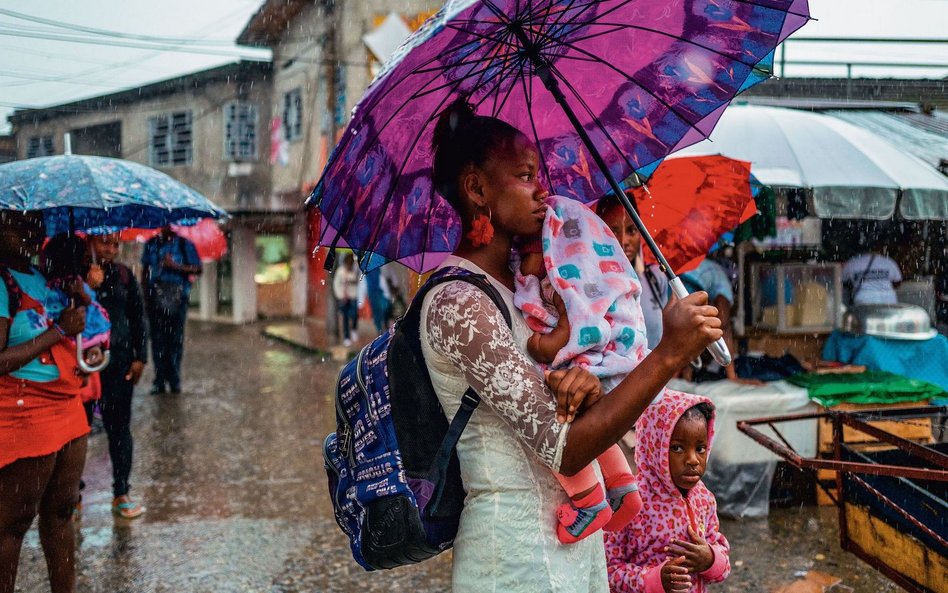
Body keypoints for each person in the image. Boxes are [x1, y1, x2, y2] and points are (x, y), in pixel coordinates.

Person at [422, 98, 722, 592]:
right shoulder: (459, 304)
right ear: (477, 188)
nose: (542, 190)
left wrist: (588, 388)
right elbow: (561, 447)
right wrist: (669, 353)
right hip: (516, 560)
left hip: (576, 547)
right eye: (523, 177)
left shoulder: (525, 289)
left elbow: (569, 411)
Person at [512, 195, 644, 544]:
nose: (521, 266)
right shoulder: (576, 273)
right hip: (611, 369)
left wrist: (535, 346)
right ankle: (621, 484)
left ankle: (588, 500)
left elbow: (566, 334)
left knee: (551, 420)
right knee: (591, 430)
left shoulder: (559, 286)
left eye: (526, 256)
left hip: (586, 367)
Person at [0, 211, 89, 593]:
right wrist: (58, 331)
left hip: (66, 404)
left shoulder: (40, 278)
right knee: (13, 522)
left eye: (37, 226)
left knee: (61, 511)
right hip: (24, 409)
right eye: (19, 225)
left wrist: (79, 302)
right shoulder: (2, 283)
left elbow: (68, 334)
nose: (32, 234)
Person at [605, 393, 731, 593]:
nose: (692, 460)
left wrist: (710, 559)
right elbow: (607, 571)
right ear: (655, 446)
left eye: (700, 448)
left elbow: (723, 561)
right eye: (677, 448)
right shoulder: (629, 500)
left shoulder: (704, 498)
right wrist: (653, 580)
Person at [89, 234, 148, 518]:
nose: (111, 249)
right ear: (90, 242)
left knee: (120, 429)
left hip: (120, 364)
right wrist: (86, 288)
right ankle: (71, 495)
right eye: (104, 242)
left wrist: (140, 358)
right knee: (77, 432)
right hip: (83, 367)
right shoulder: (75, 275)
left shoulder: (124, 275)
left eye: (115, 244)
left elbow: (138, 317)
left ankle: (121, 492)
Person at [596, 194, 670, 349]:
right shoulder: (589, 284)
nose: (624, 240)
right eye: (613, 231)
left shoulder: (657, 278)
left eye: (631, 230)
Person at [141, 225, 201, 395]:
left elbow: (198, 268)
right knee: (158, 341)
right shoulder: (151, 244)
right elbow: (145, 272)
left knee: (175, 340)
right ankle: (159, 379)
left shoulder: (185, 244)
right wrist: (146, 298)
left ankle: (174, 379)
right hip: (155, 300)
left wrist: (175, 266)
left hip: (178, 299)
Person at [679, 259, 740, 382]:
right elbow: (723, 327)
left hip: (679, 276)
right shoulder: (724, 289)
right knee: (697, 329)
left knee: (686, 330)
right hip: (689, 279)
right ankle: (682, 375)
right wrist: (732, 375)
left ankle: (684, 375)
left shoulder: (714, 278)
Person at [842, 239, 902, 306]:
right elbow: (897, 282)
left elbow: (843, 282)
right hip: (888, 299)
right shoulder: (888, 262)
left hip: (864, 299)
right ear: (878, 249)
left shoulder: (852, 263)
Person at [332, 253, 360, 346]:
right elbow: (336, 285)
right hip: (344, 298)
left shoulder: (355, 270)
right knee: (345, 319)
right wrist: (341, 296)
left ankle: (354, 329)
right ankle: (346, 337)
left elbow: (358, 282)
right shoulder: (340, 272)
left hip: (353, 297)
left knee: (355, 314)